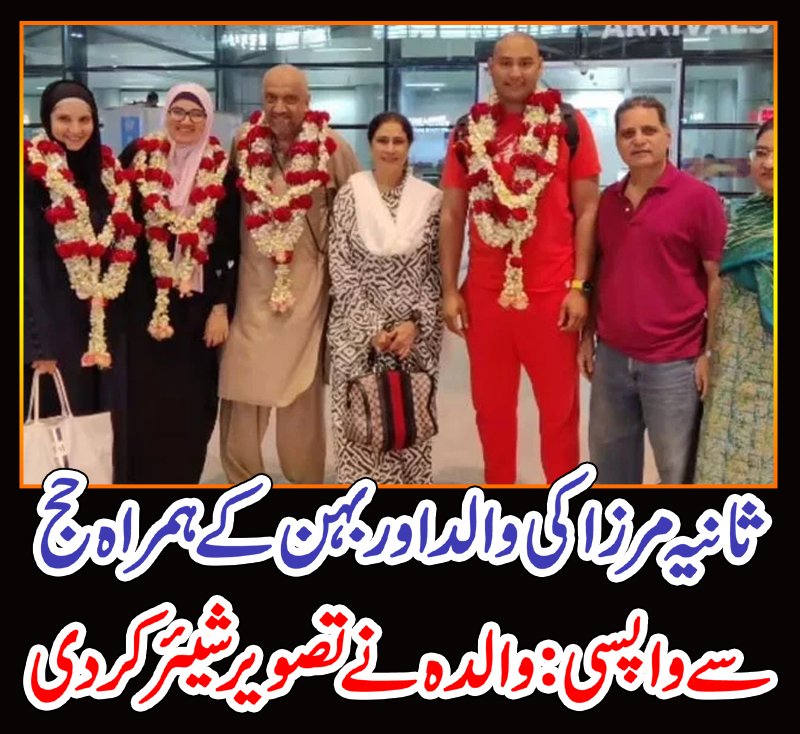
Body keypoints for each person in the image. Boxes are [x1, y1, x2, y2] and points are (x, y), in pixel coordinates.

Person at [439, 32, 601, 485]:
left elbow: (588, 209)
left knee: (559, 412)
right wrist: (450, 289)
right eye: (505, 63)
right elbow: (452, 214)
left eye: (525, 63)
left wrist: (580, 286)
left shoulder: (569, 125)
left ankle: (563, 501)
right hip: (486, 298)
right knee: (491, 411)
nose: (515, 73)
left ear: (540, 65)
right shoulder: (468, 131)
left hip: (552, 297)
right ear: (490, 67)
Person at [218, 64, 360, 484]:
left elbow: (355, 216)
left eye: (290, 99)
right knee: (242, 384)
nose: (280, 108)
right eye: (271, 98)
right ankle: (242, 480)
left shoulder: (332, 148)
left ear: (308, 102)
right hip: (252, 283)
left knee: (300, 391)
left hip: (306, 286)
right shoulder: (243, 142)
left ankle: (304, 480)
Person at [581, 96, 727, 485]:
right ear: (617, 142)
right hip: (612, 360)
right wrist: (587, 335)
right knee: (609, 472)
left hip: (675, 364)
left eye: (649, 130)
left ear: (667, 135)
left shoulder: (699, 199)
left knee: (676, 472)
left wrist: (709, 352)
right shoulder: (608, 201)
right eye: (628, 133)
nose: (639, 140)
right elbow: (599, 270)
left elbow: (716, 278)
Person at [115, 82, 234, 484]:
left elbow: (230, 245)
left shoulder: (222, 170)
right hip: (142, 303)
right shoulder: (138, 156)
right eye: (178, 112)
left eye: (196, 113)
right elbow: (118, 219)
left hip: (195, 308)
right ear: (165, 114)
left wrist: (220, 306)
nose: (186, 121)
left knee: (190, 403)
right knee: (142, 401)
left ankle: (181, 485)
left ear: (208, 119)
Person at [328, 112, 443, 484]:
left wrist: (414, 325)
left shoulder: (430, 200)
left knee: (408, 421)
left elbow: (436, 271)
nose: (390, 149)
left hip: (414, 338)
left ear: (409, 146)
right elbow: (340, 266)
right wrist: (373, 329)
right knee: (361, 422)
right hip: (357, 332)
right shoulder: (351, 195)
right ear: (370, 145)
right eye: (383, 140)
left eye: (398, 141)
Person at [24, 80, 135, 430]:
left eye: (84, 120)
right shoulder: (32, 176)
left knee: (100, 427)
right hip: (56, 326)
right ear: (47, 119)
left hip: (104, 323)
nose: (75, 130)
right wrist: (38, 347)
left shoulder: (107, 175)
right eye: (64, 119)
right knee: (59, 430)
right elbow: (26, 266)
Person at [694, 119, 774, 484]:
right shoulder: (746, 215)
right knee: (722, 456)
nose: (768, 163)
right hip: (731, 363)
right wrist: (709, 352)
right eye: (762, 153)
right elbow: (722, 288)